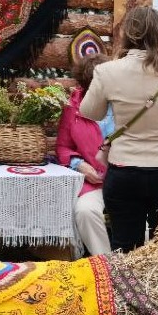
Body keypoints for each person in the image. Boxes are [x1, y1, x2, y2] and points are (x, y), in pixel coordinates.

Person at [80, 6, 158, 253]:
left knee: (125, 249)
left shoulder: (106, 71)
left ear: (128, 35)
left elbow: (90, 112)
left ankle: (128, 292)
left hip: (124, 170)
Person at [55, 53, 112, 255]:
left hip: (124, 178)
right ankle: (107, 265)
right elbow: (62, 147)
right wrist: (78, 164)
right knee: (85, 211)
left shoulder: (124, 103)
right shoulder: (73, 108)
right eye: (91, 87)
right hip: (93, 183)